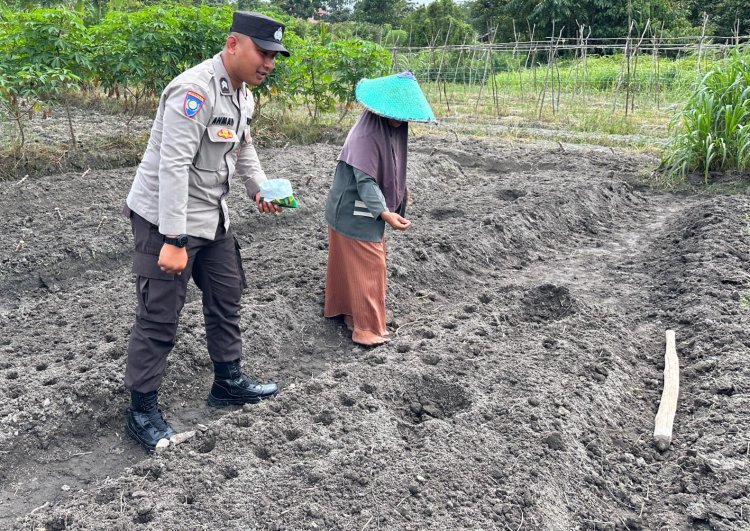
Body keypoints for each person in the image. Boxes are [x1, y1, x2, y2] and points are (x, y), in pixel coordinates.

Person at [122, 11, 290, 452]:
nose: (270, 62)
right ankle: (141, 411)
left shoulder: (241, 95)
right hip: (166, 218)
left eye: (275, 55)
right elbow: (173, 168)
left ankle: (228, 383)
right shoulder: (192, 91)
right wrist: (174, 240)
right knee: (159, 315)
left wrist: (259, 189)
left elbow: (243, 147)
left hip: (212, 217)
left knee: (227, 294)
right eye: (264, 52)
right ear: (234, 44)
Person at [324, 71, 437, 346]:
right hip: (354, 211)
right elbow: (366, 181)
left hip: (357, 210)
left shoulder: (392, 129)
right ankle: (367, 330)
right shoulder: (366, 135)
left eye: (404, 115)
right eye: (397, 114)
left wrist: (401, 193)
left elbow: (393, 166)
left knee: (349, 265)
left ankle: (348, 314)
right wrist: (385, 212)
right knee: (370, 267)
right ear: (382, 109)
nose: (401, 120)